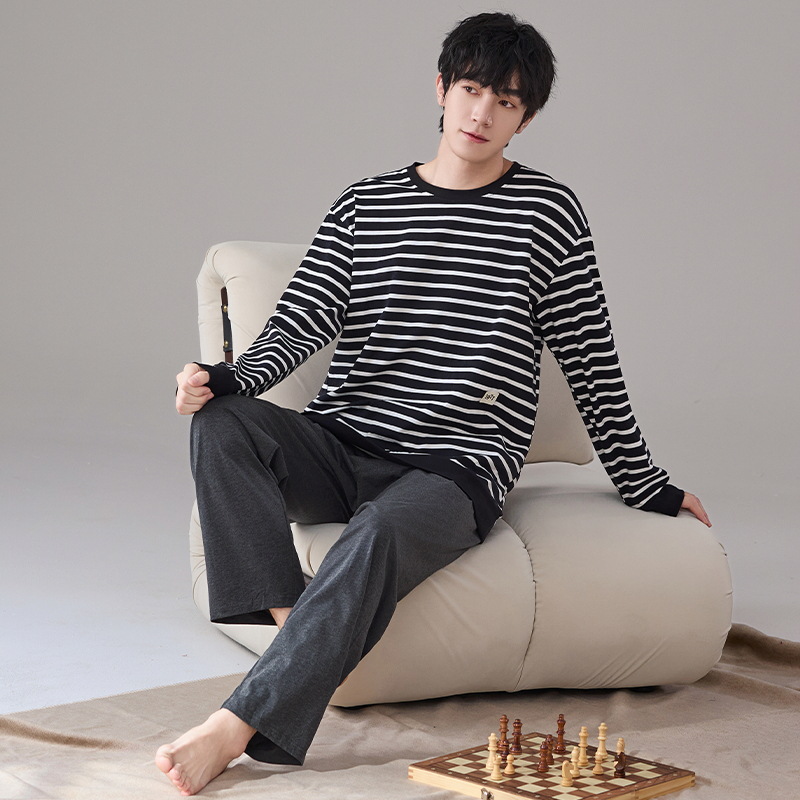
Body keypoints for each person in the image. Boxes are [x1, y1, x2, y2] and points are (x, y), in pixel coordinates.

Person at [156, 11, 711, 796]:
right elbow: (299, 324)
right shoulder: (367, 204)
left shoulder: (548, 214)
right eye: (473, 89)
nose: (483, 113)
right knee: (221, 424)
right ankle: (295, 636)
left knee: (379, 532)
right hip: (344, 442)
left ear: (526, 119)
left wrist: (644, 482)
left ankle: (234, 727)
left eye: (507, 102)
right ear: (443, 88)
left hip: (457, 467)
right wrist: (225, 379)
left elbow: (591, 358)